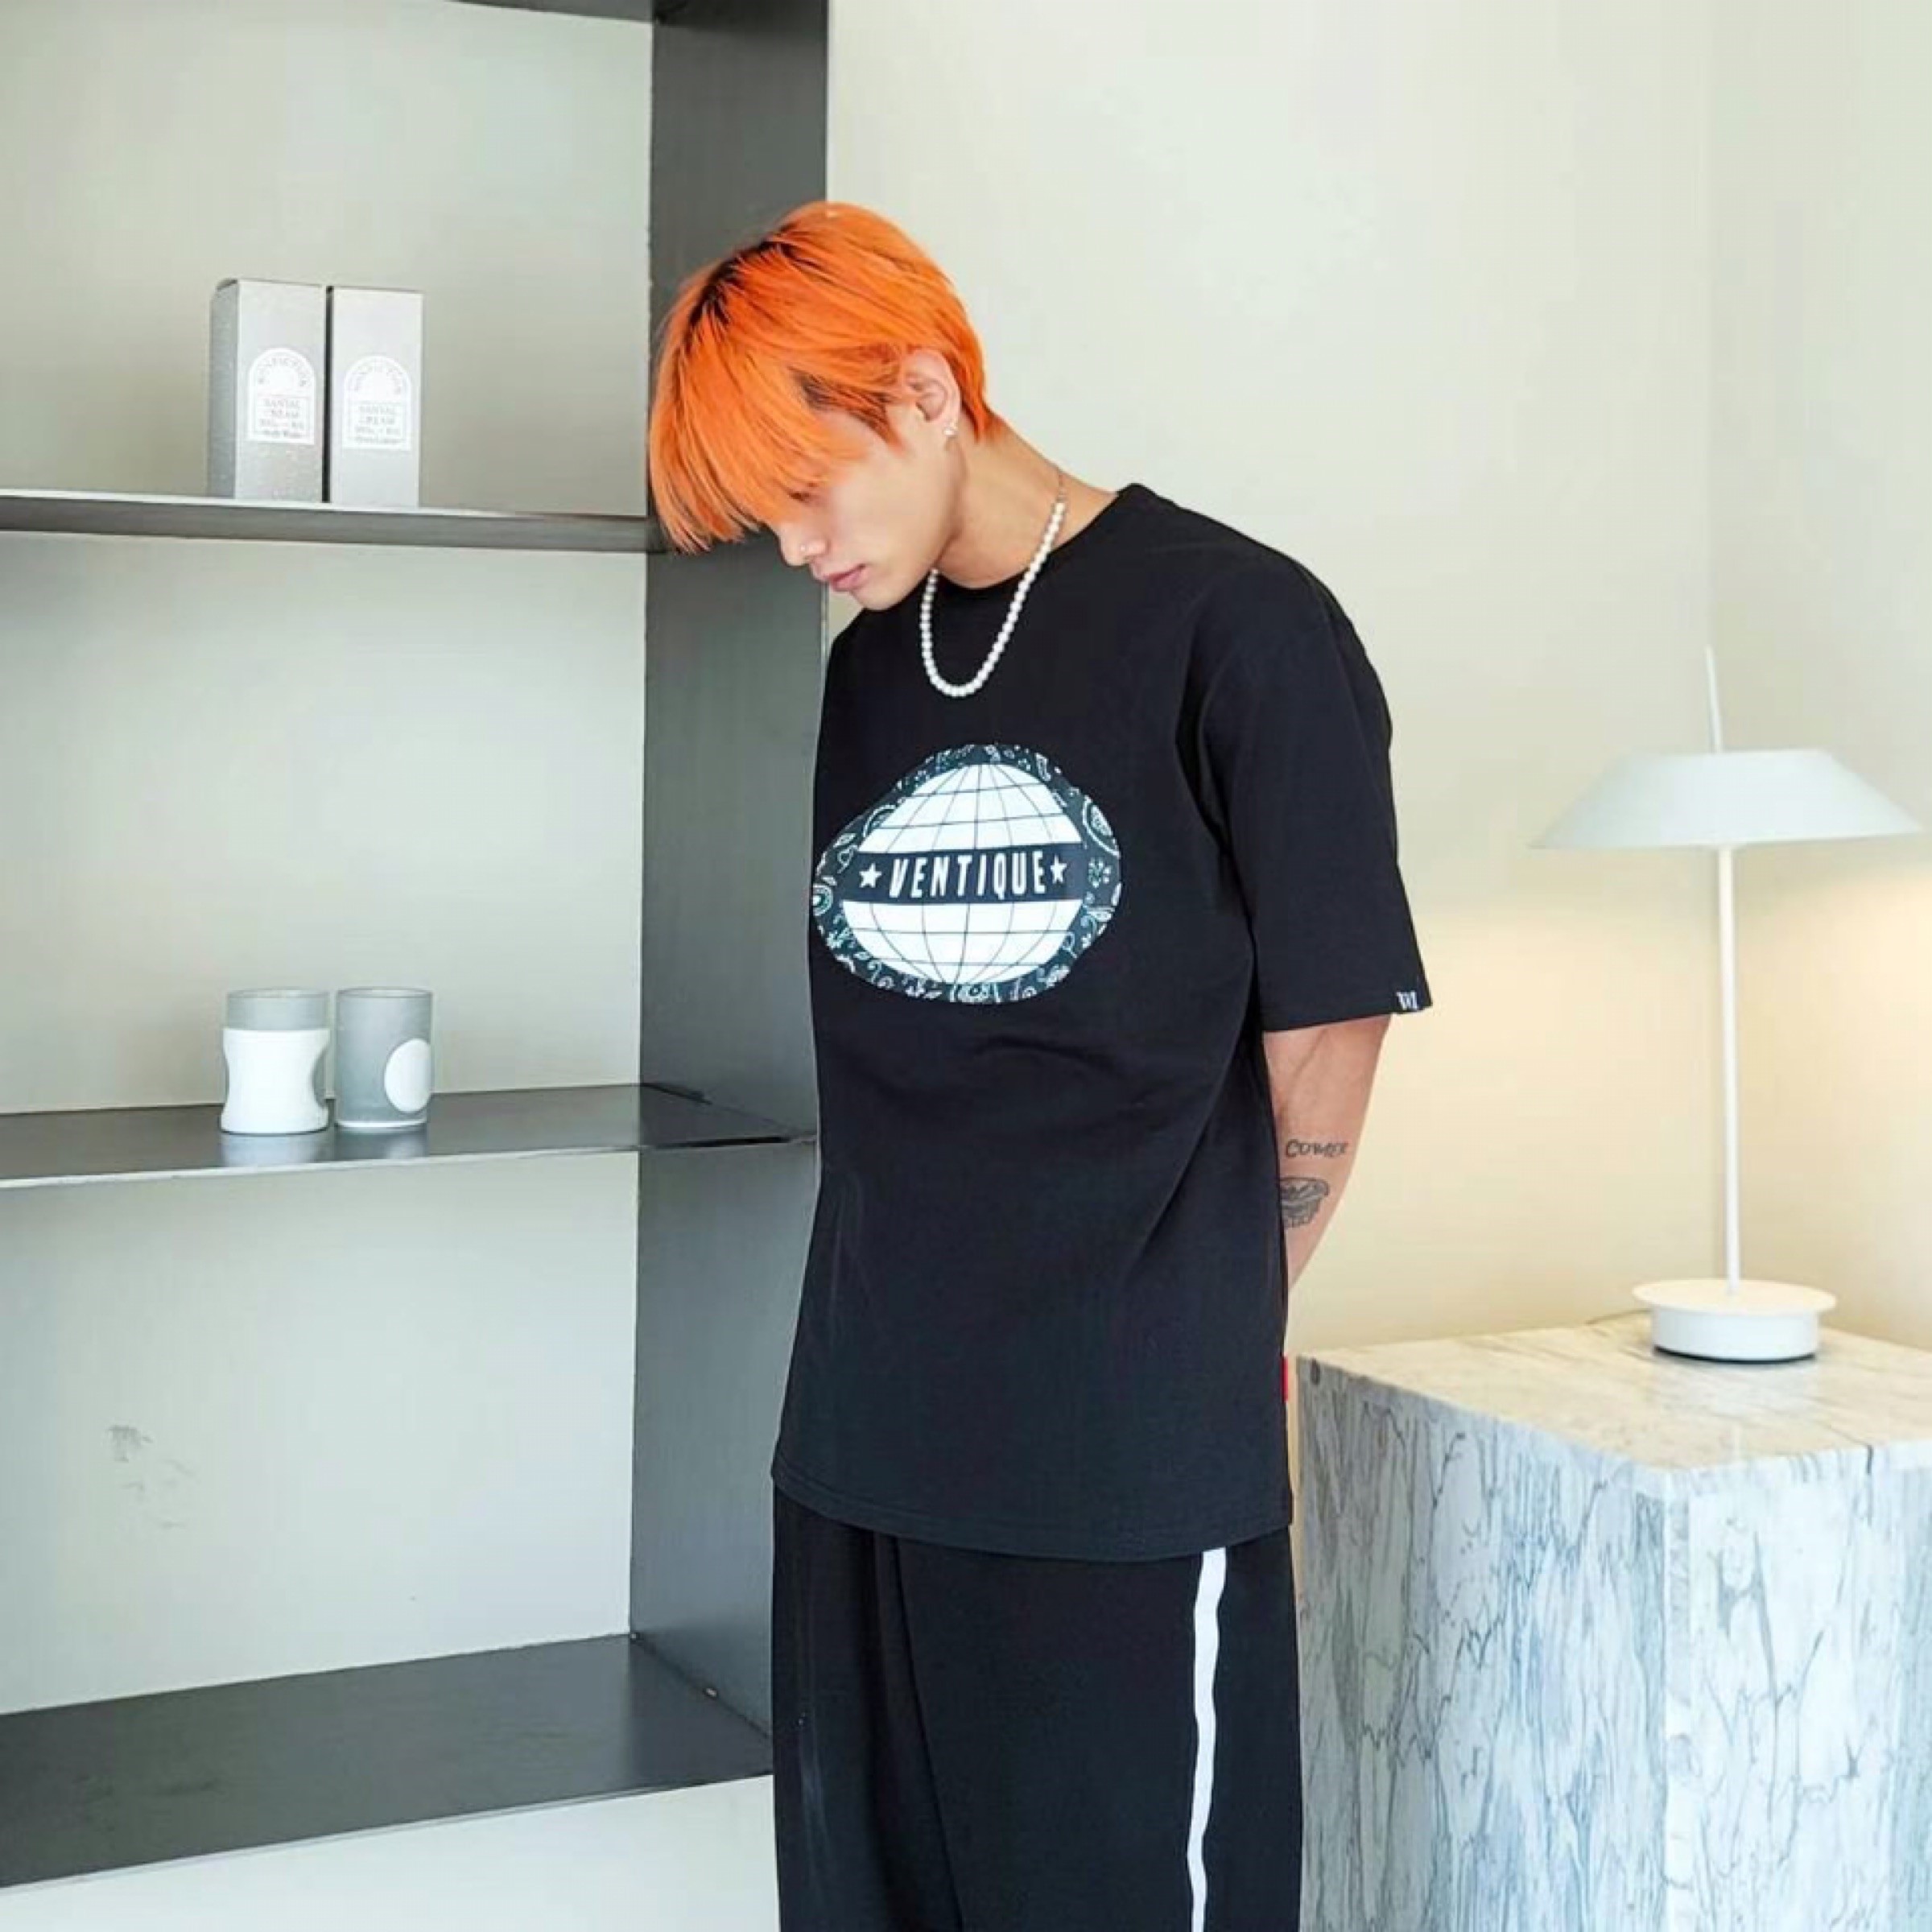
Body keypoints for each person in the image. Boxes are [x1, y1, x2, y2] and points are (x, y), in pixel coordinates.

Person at [646, 200, 1432, 1932]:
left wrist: (1191, 1316)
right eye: (764, 515)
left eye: (806, 489)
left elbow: (1328, 1030)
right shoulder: (875, 668)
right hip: (860, 1444)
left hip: (1120, 1462)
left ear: (927, 393)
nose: (793, 547)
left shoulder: (1240, 625)